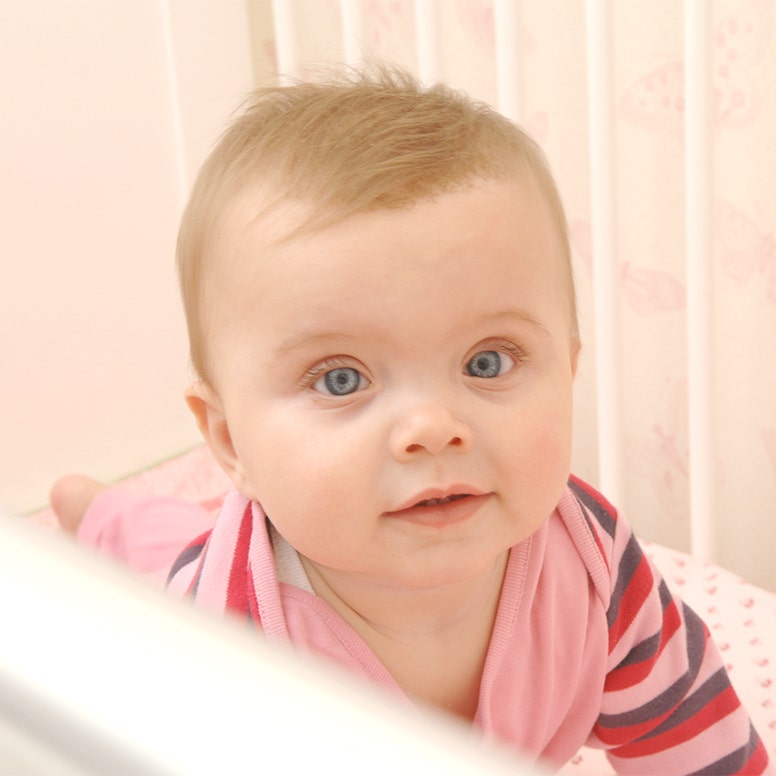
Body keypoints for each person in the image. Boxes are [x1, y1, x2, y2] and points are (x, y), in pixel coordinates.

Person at [50, 66, 771, 774]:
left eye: (487, 362)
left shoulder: (591, 564)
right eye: (341, 379)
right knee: (158, 549)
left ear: (569, 369)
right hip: (201, 564)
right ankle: (103, 514)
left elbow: (692, 735)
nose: (433, 427)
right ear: (230, 439)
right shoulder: (219, 645)